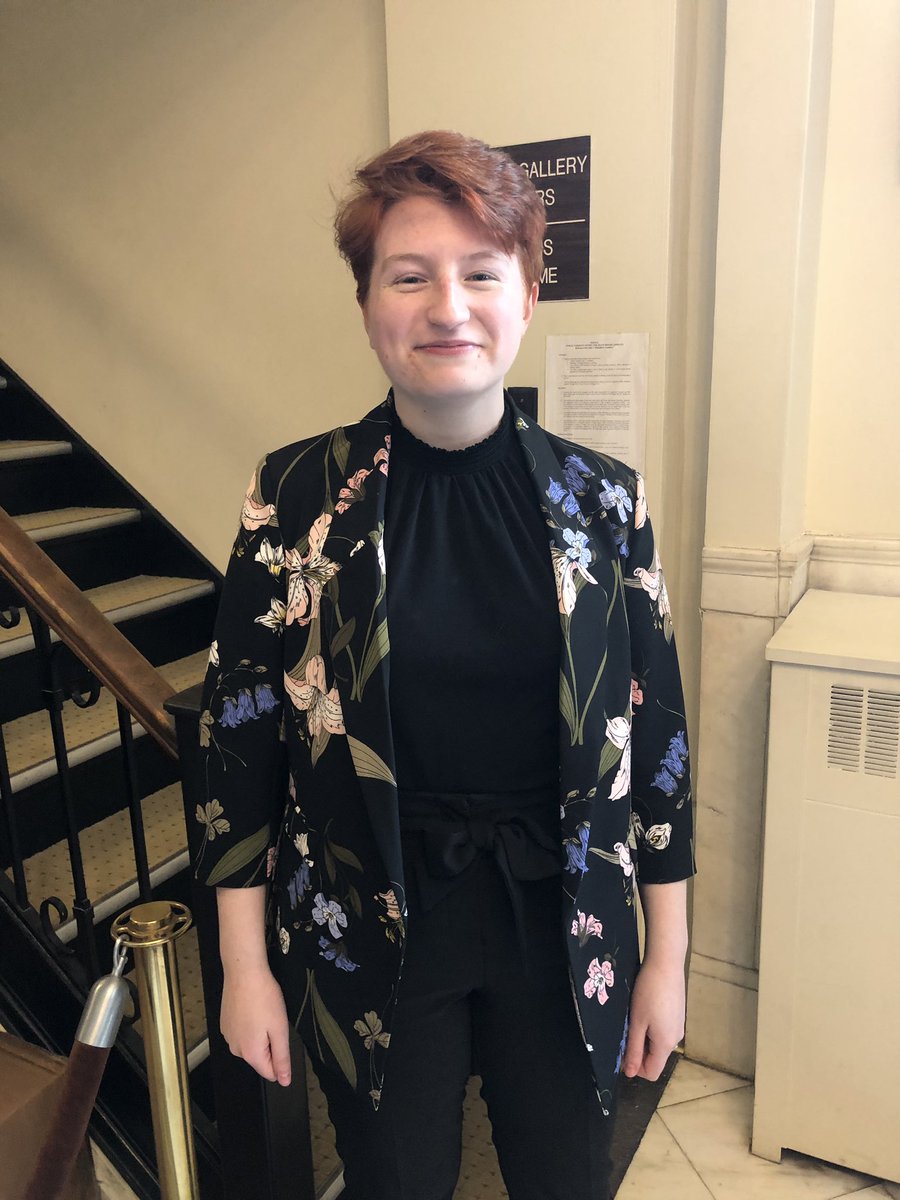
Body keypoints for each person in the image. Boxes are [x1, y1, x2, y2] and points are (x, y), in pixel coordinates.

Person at [196, 130, 695, 1200]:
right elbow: (238, 738)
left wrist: (667, 956)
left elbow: (658, 741)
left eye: (482, 274)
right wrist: (243, 967)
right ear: (367, 303)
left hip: (564, 921)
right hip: (370, 917)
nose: (447, 307)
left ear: (527, 297)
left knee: (567, 1180)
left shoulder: (605, 501)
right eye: (409, 276)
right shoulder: (298, 496)